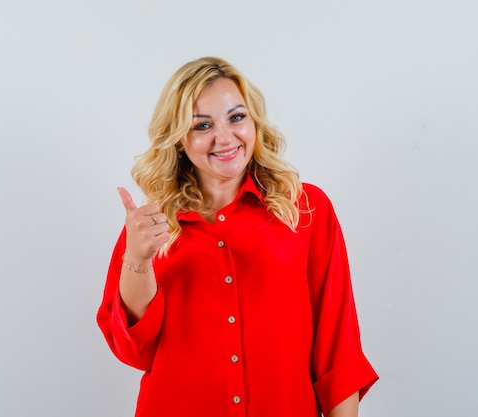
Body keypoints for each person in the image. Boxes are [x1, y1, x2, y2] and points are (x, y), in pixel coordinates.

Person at [96, 56, 378, 417]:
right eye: (202, 125)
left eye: (236, 117)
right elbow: (133, 350)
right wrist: (136, 260)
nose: (225, 137)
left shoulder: (306, 209)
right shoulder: (149, 227)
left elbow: (337, 349)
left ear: (254, 121)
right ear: (179, 139)